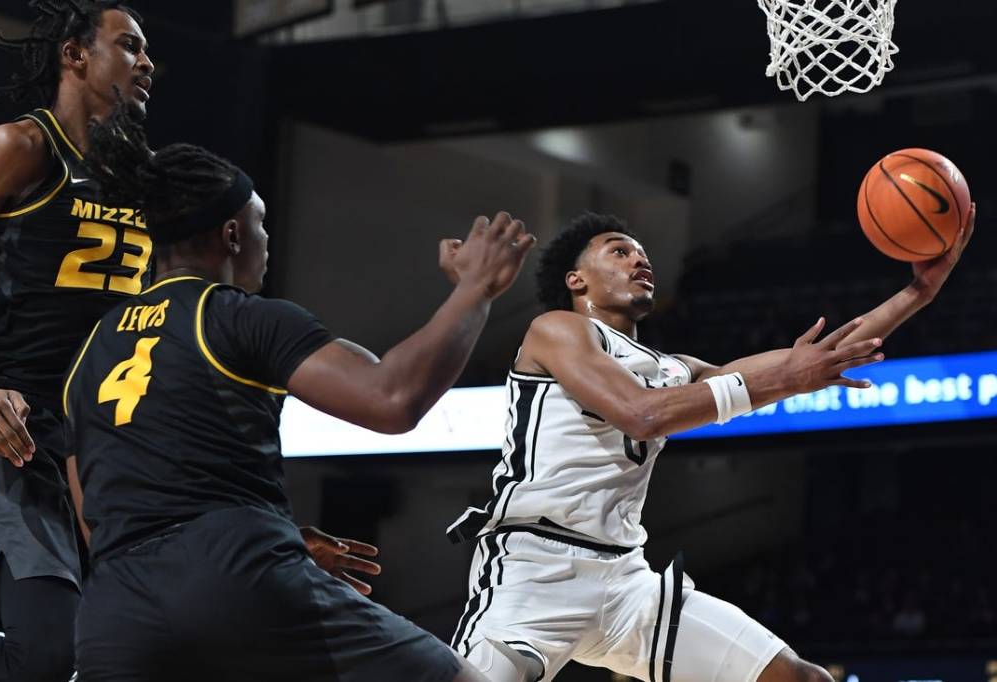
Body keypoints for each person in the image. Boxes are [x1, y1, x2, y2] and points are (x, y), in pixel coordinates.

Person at [61, 102, 536, 681]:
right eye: (262, 223)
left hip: (117, 604)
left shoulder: (92, 347)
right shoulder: (238, 316)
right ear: (232, 234)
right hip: (233, 572)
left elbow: (92, 510)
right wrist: (476, 290)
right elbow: (392, 398)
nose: (267, 238)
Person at [447, 210, 974, 682]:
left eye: (643, 253)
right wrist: (786, 379)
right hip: (534, 570)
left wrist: (918, 294)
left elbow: (821, 355)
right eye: (619, 250)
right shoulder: (557, 329)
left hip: (627, 582)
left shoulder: (677, 368)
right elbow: (642, 414)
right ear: (576, 279)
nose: (639, 259)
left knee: (801, 679)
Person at [0, 3, 154, 680]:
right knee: (47, 657)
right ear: (74, 55)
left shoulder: (141, 176)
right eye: (129, 46)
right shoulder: (19, 147)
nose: (147, 64)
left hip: (107, 454)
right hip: (17, 438)